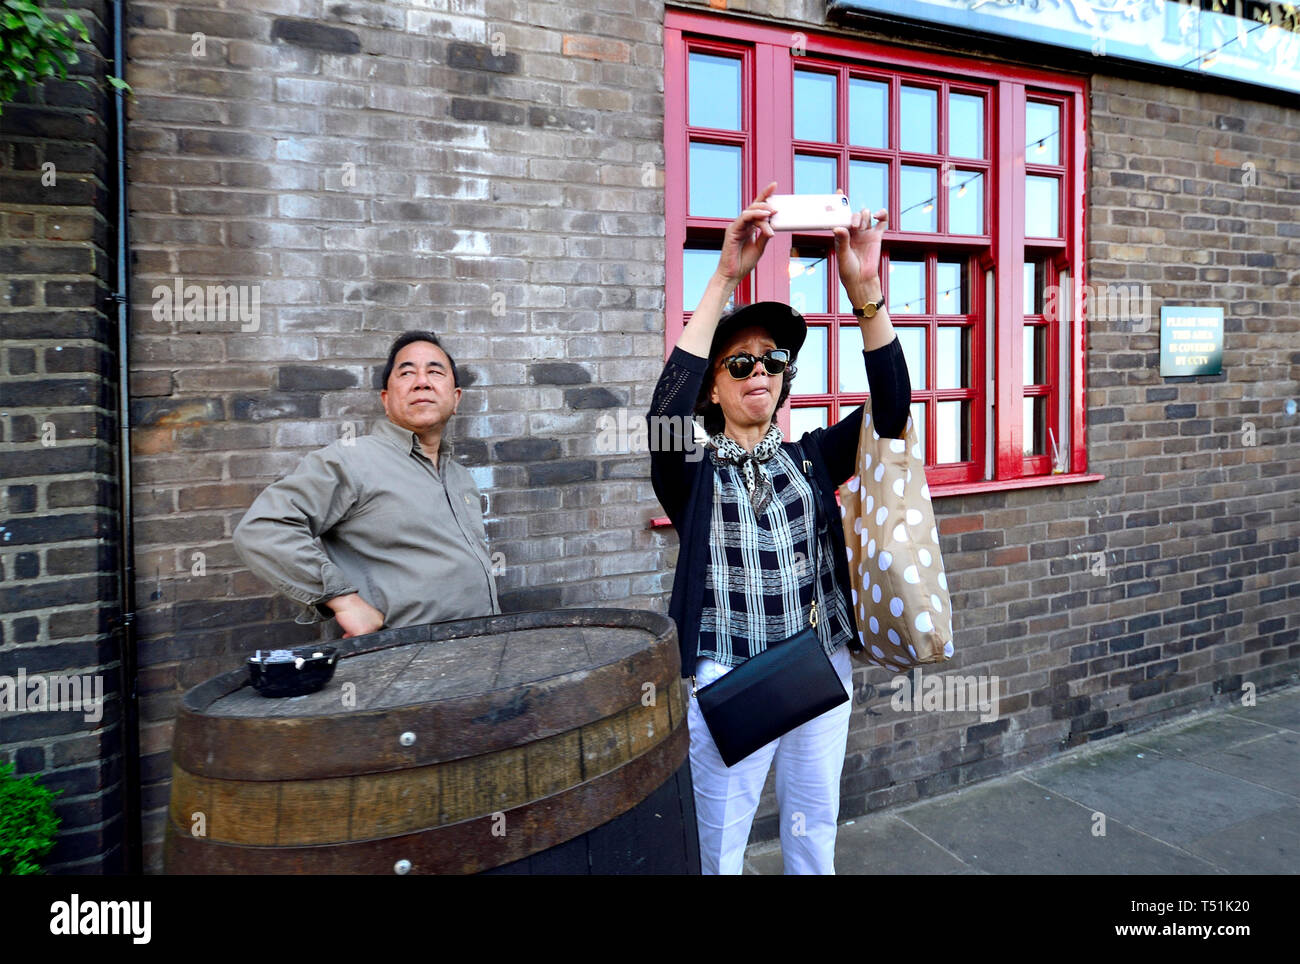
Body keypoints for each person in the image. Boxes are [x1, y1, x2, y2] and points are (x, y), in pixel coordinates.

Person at [648, 181, 911, 874]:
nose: (758, 369)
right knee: (717, 848)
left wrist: (866, 291)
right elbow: (665, 409)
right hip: (729, 675)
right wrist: (725, 274)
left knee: (813, 832)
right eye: (739, 362)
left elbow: (891, 412)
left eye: (772, 360)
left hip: (821, 667)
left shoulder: (811, 458)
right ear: (714, 386)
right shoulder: (693, 471)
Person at [233, 331, 500, 636]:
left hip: (483, 654)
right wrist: (343, 600)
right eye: (407, 372)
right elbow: (262, 529)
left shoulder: (460, 478)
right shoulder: (351, 461)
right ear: (386, 400)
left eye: (435, 372)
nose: (422, 381)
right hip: (404, 664)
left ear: (455, 398)